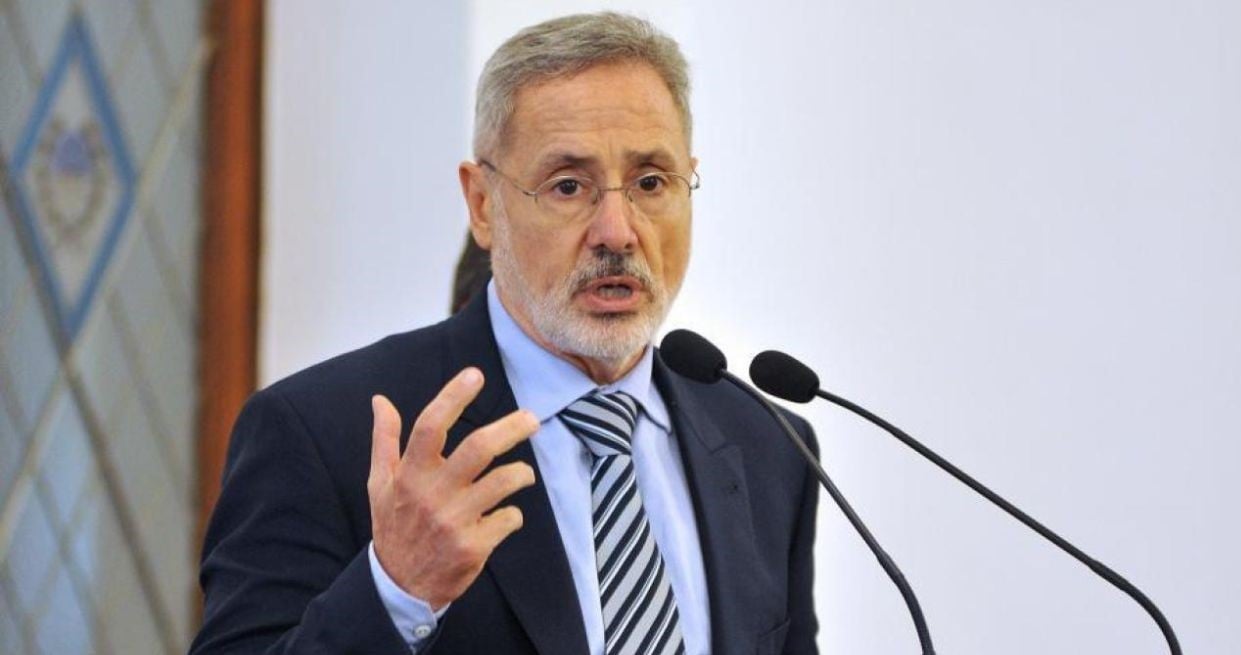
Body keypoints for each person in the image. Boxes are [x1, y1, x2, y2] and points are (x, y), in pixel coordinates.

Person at [191, 12, 819, 655]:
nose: (618, 231)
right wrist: (396, 592)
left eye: (651, 183)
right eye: (568, 186)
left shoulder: (768, 447)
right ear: (483, 204)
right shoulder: (325, 432)